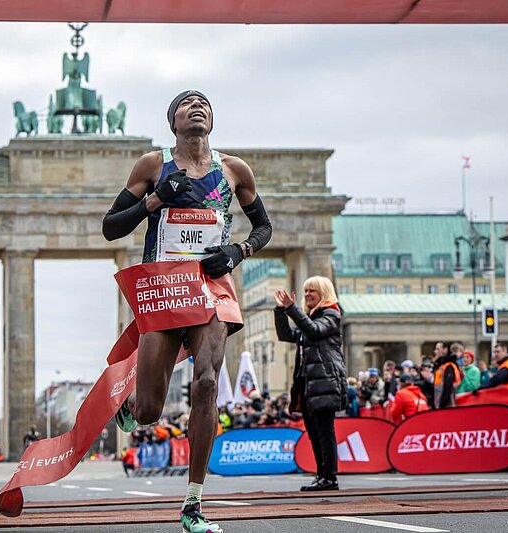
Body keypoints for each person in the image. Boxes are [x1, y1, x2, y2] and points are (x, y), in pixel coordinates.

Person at [101, 90, 272, 533]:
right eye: (186, 103)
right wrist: (153, 201)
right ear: (173, 121)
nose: (197, 107)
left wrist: (237, 252)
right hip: (164, 288)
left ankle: (193, 503)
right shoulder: (152, 165)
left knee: (207, 382)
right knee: (150, 411)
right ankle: (132, 404)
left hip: (212, 284)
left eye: (204, 103)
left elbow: (264, 226)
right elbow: (110, 227)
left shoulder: (233, 169)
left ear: (211, 120)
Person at [274, 276, 346, 492]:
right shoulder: (311, 317)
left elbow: (314, 330)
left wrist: (291, 308)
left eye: (312, 291)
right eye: (305, 291)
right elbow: (286, 335)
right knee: (315, 433)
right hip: (309, 384)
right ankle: (322, 475)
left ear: (323, 292)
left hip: (324, 382)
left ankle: (329, 477)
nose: (307, 295)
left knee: (324, 432)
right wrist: (280, 311)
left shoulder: (331, 314)